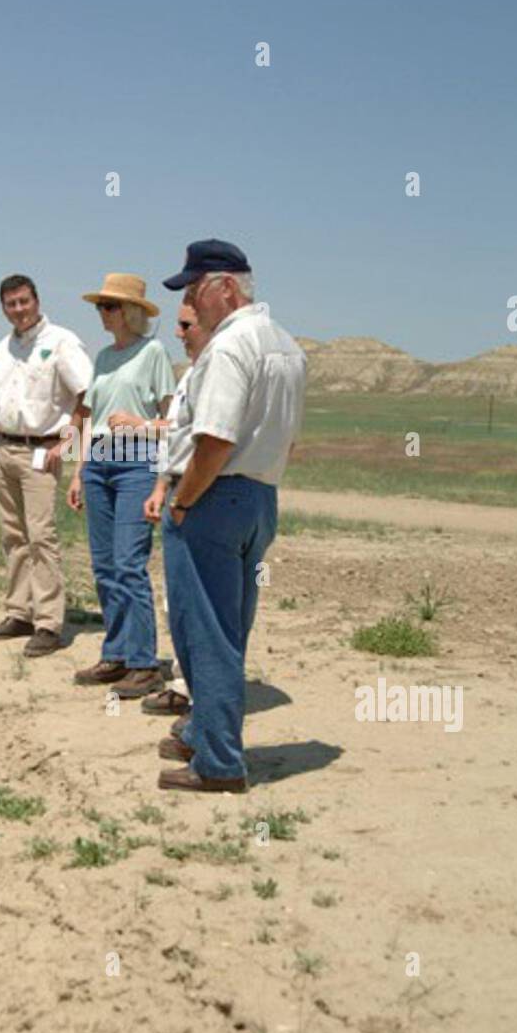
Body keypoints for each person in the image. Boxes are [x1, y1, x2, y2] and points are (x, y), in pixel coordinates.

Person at [154, 240, 306, 793]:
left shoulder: (228, 348)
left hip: (213, 498)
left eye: (195, 289)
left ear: (226, 288)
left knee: (204, 631)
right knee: (227, 627)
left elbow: (214, 440)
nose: (192, 300)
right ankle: (204, 727)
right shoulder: (287, 346)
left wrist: (184, 499)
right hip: (260, 499)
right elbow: (288, 442)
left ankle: (218, 763)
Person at [67, 273, 175, 697]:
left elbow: (175, 423)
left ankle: (144, 662)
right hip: (97, 464)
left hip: (136, 465)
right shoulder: (102, 357)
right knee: (104, 566)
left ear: (130, 312)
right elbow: (88, 419)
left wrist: (139, 424)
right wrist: (78, 470)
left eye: (109, 306)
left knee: (130, 565)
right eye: (100, 306)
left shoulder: (154, 353)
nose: (102, 313)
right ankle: (116, 653)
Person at [0, 273, 93, 657]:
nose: (18, 310)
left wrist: (68, 439)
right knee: (12, 535)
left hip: (40, 450)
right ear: (3, 308)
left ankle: (48, 621)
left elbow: (86, 392)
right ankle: (20, 611)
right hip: (4, 450)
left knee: (41, 536)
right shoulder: (3, 348)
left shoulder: (61, 342)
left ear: (37, 300)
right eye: (10, 304)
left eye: (24, 302)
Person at [140, 299, 211, 713]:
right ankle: (186, 684)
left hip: (203, 492)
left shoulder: (219, 372)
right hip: (179, 485)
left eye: (186, 325)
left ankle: (202, 692)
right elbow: (179, 439)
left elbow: (211, 439)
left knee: (202, 599)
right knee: (178, 598)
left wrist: (184, 496)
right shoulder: (191, 375)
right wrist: (162, 485)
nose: (178, 333)